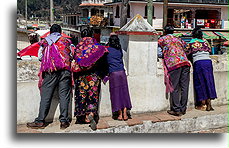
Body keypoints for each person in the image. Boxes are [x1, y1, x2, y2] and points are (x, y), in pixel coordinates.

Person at [27, 24, 73, 129]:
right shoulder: (66, 41)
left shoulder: (45, 41)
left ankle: (40, 121)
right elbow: (70, 55)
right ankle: (64, 122)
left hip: (51, 72)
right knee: (64, 96)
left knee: (46, 96)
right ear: (60, 32)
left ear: (50, 32)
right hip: (65, 71)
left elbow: (40, 57)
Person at [71, 28, 108, 130]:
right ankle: (91, 113)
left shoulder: (78, 48)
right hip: (93, 77)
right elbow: (104, 56)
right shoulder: (97, 47)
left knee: (81, 95)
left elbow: (75, 61)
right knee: (92, 96)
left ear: (82, 36)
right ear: (91, 35)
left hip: (81, 77)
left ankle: (83, 116)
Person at [158, 25, 191, 116]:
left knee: (174, 87)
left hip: (174, 64)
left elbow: (158, 52)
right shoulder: (178, 39)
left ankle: (176, 109)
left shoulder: (162, 39)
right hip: (185, 63)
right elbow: (187, 48)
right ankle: (183, 108)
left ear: (165, 31)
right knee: (184, 87)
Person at [186, 27, 217, 111]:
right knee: (209, 81)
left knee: (200, 82)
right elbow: (209, 50)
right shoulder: (205, 42)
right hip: (208, 62)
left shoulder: (191, 43)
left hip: (199, 63)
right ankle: (209, 102)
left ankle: (203, 104)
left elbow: (187, 53)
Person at [106, 34, 132, 121]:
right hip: (122, 72)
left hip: (113, 73)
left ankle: (120, 114)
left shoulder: (107, 50)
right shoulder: (119, 50)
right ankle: (125, 114)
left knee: (116, 93)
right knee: (124, 92)